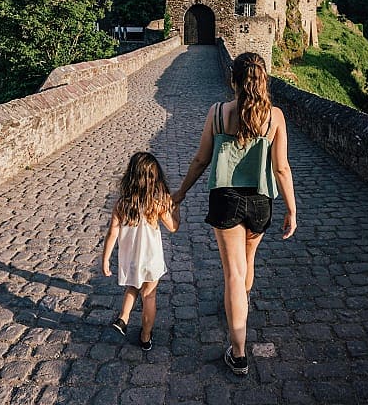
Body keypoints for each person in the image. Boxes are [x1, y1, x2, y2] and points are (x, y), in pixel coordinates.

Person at [173, 51, 297, 376]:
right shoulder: (275, 117)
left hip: (226, 200)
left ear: (234, 80)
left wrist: (181, 192)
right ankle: (237, 306)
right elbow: (281, 168)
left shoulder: (217, 113)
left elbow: (200, 160)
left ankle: (239, 353)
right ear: (263, 80)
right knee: (247, 264)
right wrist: (292, 210)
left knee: (232, 273)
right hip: (260, 202)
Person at [101, 151, 180, 350]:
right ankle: (145, 337)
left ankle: (123, 318)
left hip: (131, 259)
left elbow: (112, 234)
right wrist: (175, 207)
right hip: (151, 260)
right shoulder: (157, 204)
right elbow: (173, 227)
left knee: (132, 288)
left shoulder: (122, 204)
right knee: (149, 296)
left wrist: (105, 260)